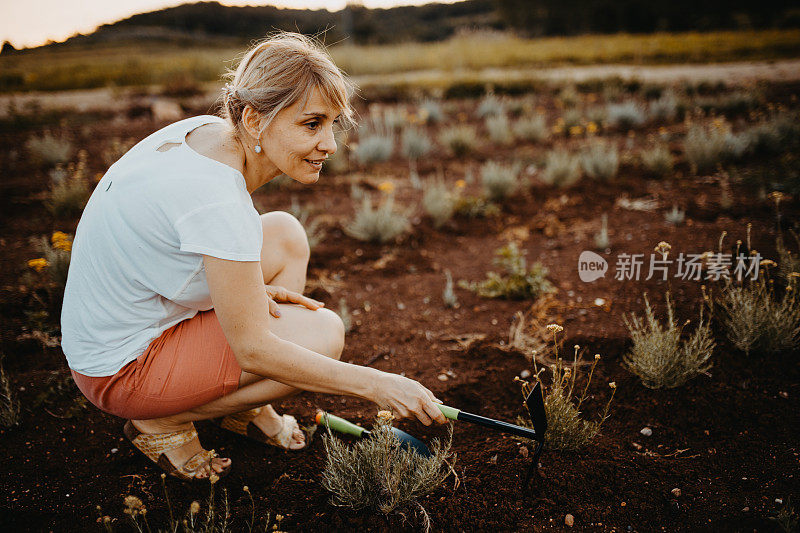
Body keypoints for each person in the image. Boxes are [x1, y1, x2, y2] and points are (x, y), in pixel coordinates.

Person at [61, 32, 447, 481]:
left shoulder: (203, 134)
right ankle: (160, 420)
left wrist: (246, 294)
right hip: (119, 368)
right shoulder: (219, 199)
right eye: (311, 124)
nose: (330, 144)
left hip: (121, 320)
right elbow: (254, 350)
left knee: (284, 234)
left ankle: (243, 405)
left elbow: (169, 248)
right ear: (253, 118)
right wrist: (379, 384)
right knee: (324, 334)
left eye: (333, 124)